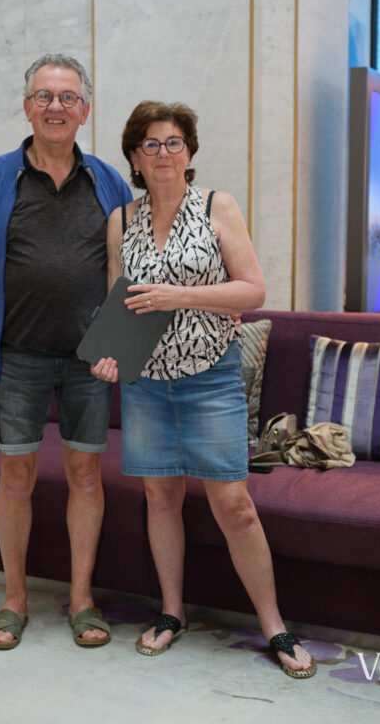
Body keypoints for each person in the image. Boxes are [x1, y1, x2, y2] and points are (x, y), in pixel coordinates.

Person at [90, 101, 316, 679]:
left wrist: (181, 296)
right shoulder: (121, 219)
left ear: (189, 150)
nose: (163, 153)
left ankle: (275, 626)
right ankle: (172, 612)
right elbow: (119, 301)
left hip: (211, 376)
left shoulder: (218, 206)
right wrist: (111, 355)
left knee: (234, 506)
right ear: (134, 157)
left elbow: (253, 290)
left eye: (174, 142)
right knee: (160, 498)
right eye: (150, 144)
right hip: (146, 384)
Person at [0, 54, 133, 651]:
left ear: (85, 109)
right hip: (17, 357)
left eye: (67, 97)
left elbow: (132, 269)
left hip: (89, 360)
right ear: (27, 106)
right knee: (16, 477)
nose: (56, 106)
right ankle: (14, 600)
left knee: (86, 475)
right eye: (44, 96)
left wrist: (121, 344)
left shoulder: (108, 181)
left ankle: (81, 600)